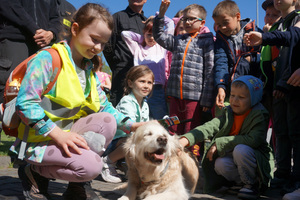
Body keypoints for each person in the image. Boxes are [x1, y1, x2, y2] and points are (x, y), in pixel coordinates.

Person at [10, 3, 145, 200]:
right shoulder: (48, 59)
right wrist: (57, 134)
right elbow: (26, 103)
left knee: (107, 120)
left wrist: (131, 125)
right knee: (92, 166)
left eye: (103, 44)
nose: (98, 48)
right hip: (36, 141)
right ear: (75, 29)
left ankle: (75, 187)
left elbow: (104, 107)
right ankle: (33, 170)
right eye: (94, 39)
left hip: (64, 137)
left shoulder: (88, 69)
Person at [179, 75, 274, 200]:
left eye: (241, 97)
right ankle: (240, 183)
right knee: (220, 163)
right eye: (233, 95)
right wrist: (185, 140)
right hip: (235, 158)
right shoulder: (228, 112)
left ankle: (252, 184)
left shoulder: (259, 115)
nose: (235, 100)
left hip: (256, 161)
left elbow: (253, 140)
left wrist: (220, 143)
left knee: (241, 149)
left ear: (254, 99)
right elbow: (209, 127)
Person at [244, 7, 300, 197]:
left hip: (292, 84)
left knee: (296, 133)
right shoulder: (283, 23)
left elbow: (295, 36)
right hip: (282, 84)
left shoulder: (295, 20)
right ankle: (282, 176)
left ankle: (296, 180)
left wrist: (265, 37)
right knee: (283, 132)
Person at [153, 0, 214, 159]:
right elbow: (158, 36)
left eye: (191, 19)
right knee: (173, 130)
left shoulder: (207, 42)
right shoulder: (178, 40)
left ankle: (192, 162)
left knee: (191, 131)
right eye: (184, 18)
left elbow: (210, 71)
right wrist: (161, 15)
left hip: (193, 97)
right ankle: (173, 161)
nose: (186, 21)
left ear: (202, 23)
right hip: (174, 95)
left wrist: (207, 100)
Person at [100, 65, 154, 183]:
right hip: (112, 143)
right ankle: (108, 161)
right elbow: (132, 126)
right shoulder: (127, 101)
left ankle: (124, 163)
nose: (146, 85)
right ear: (130, 83)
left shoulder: (145, 105)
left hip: (124, 142)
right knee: (134, 141)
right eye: (142, 81)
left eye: (149, 82)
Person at [0, 0, 60, 104]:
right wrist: (35, 30)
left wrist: (51, 33)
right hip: (15, 40)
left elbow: (55, 17)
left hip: (41, 47)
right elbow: (9, 5)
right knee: (11, 90)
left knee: (38, 91)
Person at [213, 0, 263, 117]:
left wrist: (253, 58)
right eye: (219, 25)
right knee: (224, 115)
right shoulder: (221, 40)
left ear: (238, 17)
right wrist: (221, 87)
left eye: (225, 22)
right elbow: (221, 62)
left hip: (254, 87)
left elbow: (264, 55)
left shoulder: (255, 31)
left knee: (252, 118)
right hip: (232, 87)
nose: (223, 27)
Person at [121, 13, 174, 119]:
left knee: (159, 117)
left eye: (155, 35)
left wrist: (157, 16)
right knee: (140, 116)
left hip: (156, 89)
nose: (152, 38)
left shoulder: (162, 47)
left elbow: (170, 23)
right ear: (144, 33)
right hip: (139, 88)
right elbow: (125, 34)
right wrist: (142, 38)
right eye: (149, 34)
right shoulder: (138, 49)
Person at [103, 0, 147, 107]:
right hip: (122, 75)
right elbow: (107, 45)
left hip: (143, 74)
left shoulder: (148, 23)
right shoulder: (117, 18)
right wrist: (117, 64)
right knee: (120, 109)